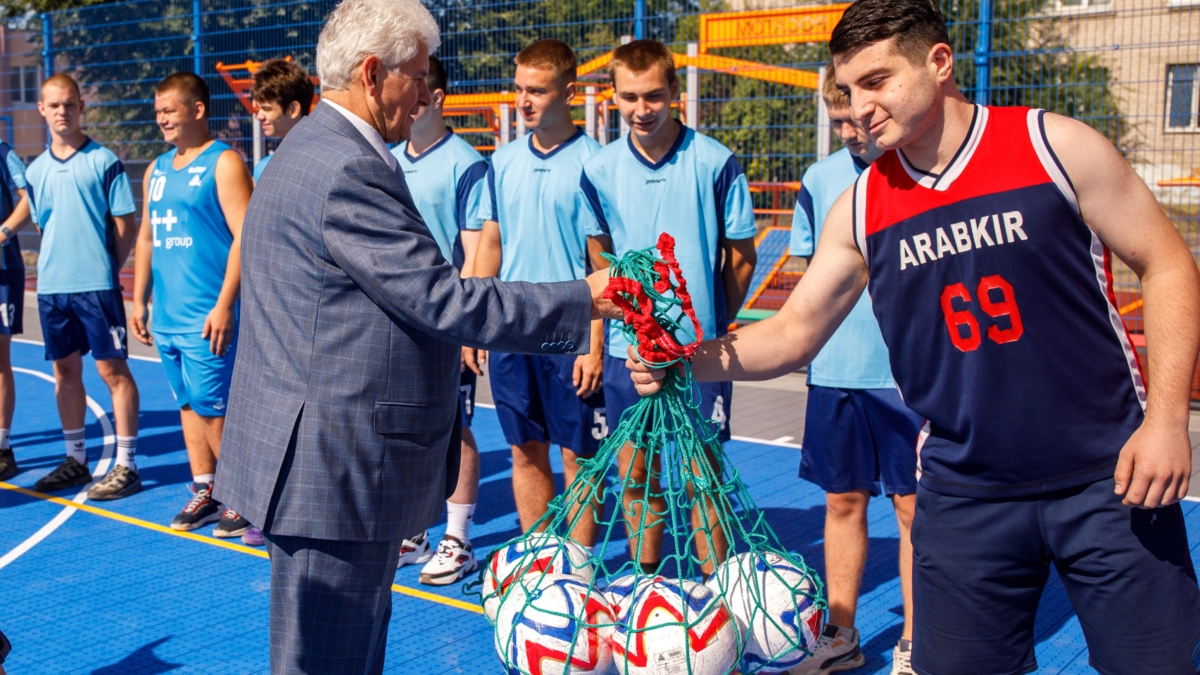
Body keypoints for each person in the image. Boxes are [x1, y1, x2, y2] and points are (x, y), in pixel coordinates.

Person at [627, 0, 1200, 673]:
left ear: (939, 62)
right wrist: (685, 361)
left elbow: (1167, 264)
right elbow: (791, 333)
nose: (859, 105)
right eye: (847, 89)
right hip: (966, 494)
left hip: (1109, 478)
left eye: (877, 81)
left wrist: (1166, 421)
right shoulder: (864, 204)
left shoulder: (1054, 146)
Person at [211, 1, 615, 672]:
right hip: (334, 473)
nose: (429, 91)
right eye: (419, 74)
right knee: (330, 658)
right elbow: (442, 298)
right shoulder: (347, 167)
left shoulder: (305, 148)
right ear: (373, 74)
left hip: (318, 463)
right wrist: (589, 298)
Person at [581, 39, 757, 576]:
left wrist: (708, 324)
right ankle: (646, 586)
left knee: (704, 474)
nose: (641, 109)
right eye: (629, 97)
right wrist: (606, 337)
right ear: (612, 95)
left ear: (675, 92)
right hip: (625, 353)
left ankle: (716, 589)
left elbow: (742, 254)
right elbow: (597, 259)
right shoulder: (599, 169)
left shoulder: (715, 161)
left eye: (653, 96)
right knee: (636, 476)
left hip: (698, 353)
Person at [787, 64, 922, 675]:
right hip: (836, 370)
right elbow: (808, 279)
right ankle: (840, 633)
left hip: (909, 377)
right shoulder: (819, 180)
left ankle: (917, 644)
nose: (848, 130)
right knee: (841, 501)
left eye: (853, 117)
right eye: (835, 119)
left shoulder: (918, 172)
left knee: (914, 509)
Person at [473, 38, 609, 549]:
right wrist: (474, 322)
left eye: (536, 90)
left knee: (578, 456)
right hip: (513, 326)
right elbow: (491, 243)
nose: (523, 101)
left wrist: (594, 344)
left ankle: (577, 568)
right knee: (525, 449)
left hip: (571, 331)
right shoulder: (503, 160)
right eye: (518, 89)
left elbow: (603, 266)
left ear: (569, 92)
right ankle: (540, 561)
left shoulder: (596, 163)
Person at [129, 73, 258, 543]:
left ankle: (248, 497)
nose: (161, 118)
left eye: (170, 109)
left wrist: (226, 304)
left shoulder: (223, 163)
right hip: (167, 315)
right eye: (158, 110)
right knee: (188, 405)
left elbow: (247, 235)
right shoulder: (157, 168)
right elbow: (146, 236)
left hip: (208, 315)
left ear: (198, 110)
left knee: (215, 410)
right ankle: (207, 490)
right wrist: (138, 299)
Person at [389, 54, 490, 585]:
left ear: (437, 97)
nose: (410, 101)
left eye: (420, 90)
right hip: (398, 319)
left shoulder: (467, 163)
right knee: (406, 423)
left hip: (445, 320)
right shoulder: (386, 157)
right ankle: (415, 528)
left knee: (456, 427)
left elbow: (477, 248)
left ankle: (459, 539)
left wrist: (467, 322)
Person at [25, 74, 141, 501]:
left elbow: (125, 225)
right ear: (42, 109)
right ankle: (76, 460)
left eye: (70, 104)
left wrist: (108, 266)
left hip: (97, 285)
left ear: (80, 108)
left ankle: (127, 465)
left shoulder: (103, 160)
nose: (62, 111)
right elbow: (44, 224)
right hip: (53, 288)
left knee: (112, 371)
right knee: (64, 372)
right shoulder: (35, 171)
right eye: (54, 105)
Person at [0, 141, 33, 482]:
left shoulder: (2, 152)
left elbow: (29, 197)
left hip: (2, 272)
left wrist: (3, 233)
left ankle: (2, 448)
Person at [251, 58, 315, 183]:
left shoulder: (318, 162)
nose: (259, 116)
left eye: (267, 109)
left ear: (293, 109)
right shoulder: (264, 167)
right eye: (259, 109)